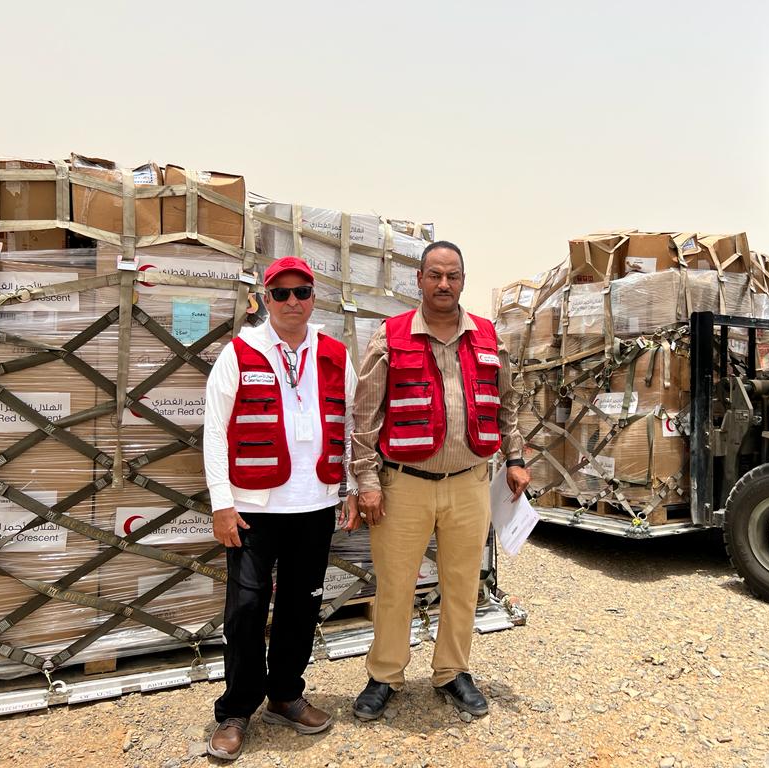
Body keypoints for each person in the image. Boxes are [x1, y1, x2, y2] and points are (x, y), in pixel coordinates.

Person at [350, 240, 530, 720]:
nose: (443, 284)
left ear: (463, 281)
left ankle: (452, 671)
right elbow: (365, 415)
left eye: (452, 275)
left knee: (462, 581)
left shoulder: (490, 339)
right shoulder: (390, 337)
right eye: (434, 275)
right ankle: (385, 674)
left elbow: (507, 404)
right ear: (420, 280)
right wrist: (366, 481)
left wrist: (514, 457)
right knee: (395, 585)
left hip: (470, 481)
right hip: (403, 483)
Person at [203, 256, 360, 761]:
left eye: (302, 291)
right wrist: (222, 504)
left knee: (302, 604)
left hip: (314, 503)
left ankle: (286, 695)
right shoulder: (241, 350)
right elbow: (213, 430)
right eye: (282, 293)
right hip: (253, 506)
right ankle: (236, 709)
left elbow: (353, 425)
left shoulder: (334, 353)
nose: (293, 301)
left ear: (314, 297)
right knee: (246, 610)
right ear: (265, 299)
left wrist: (351, 488)